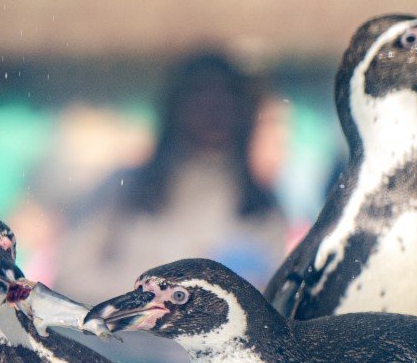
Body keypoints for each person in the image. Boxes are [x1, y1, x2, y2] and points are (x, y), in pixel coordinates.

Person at [54, 53, 287, 302]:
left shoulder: (262, 208)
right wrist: (155, 298)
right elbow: (70, 276)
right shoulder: (123, 189)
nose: (213, 107)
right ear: (175, 105)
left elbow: (266, 300)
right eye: (199, 92)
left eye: (226, 94)